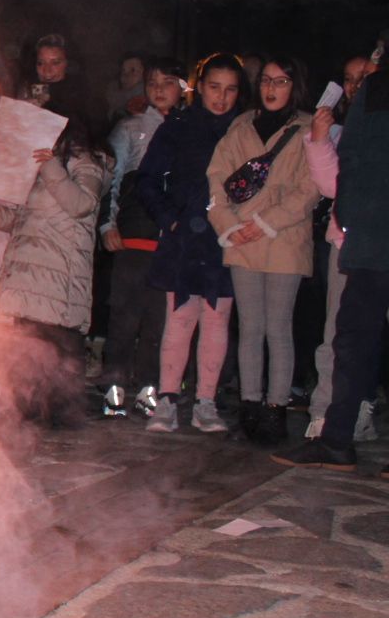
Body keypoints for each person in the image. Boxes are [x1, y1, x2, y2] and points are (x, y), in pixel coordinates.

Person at [276, 58, 389, 471]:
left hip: (371, 237)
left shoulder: (375, 93)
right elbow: (349, 168)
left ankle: (339, 437)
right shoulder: (373, 94)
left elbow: (356, 165)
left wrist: (353, 219)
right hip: (370, 238)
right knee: (351, 341)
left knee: (354, 340)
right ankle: (337, 437)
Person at [207, 56, 318, 445]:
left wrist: (267, 221)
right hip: (243, 240)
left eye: (282, 81)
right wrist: (229, 227)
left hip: (284, 240)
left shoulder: (307, 128)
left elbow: (310, 189)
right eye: (267, 81)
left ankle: (275, 412)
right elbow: (216, 180)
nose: (272, 89)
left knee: (278, 328)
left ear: (295, 85)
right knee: (250, 328)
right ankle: (250, 409)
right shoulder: (241, 126)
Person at [136, 54, 243, 434]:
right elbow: (146, 179)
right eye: (214, 87)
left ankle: (206, 402)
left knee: (217, 320)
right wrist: (170, 218)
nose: (221, 97)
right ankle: (167, 400)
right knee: (180, 318)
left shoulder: (244, 129)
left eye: (230, 90)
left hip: (226, 241)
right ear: (200, 88)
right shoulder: (179, 126)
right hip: (184, 239)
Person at [0, 116, 108, 429]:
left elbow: (80, 204)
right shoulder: (45, 166)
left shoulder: (85, 162)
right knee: (27, 350)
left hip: (58, 279)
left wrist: (51, 166)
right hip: (31, 279)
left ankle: (62, 418)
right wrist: (2, 217)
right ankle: (26, 413)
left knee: (58, 350)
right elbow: (36, 216)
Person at [97, 56, 186, 417]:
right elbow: (111, 180)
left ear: (182, 88)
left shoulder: (190, 129)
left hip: (171, 241)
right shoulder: (130, 128)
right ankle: (114, 385)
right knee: (124, 314)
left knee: (158, 319)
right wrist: (107, 224)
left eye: (168, 82)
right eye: (152, 83)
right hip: (133, 235)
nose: (159, 89)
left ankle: (150, 385)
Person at [305, 53, 379, 437]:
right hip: (347, 241)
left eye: (364, 76)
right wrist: (318, 140)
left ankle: (361, 409)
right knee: (338, 333)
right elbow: (333, 185)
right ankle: (326, 412)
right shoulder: (340, 128)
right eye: (349, 78)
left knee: (368, 335)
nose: (355, 85)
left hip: (377, 242)